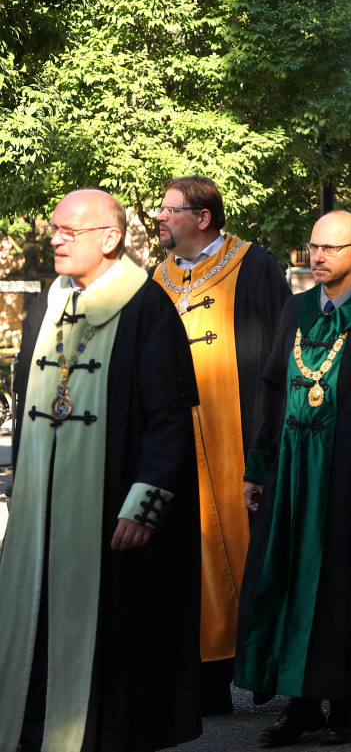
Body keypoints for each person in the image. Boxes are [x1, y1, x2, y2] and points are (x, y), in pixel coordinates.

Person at [0, 189, 202, 752]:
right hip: (41, 512)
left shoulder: (147, 308)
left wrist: (145, 504)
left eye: (70, 231)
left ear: (109, 239)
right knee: (33, 627)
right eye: (55, 230)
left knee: (112, 640)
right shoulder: (48, 303)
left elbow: (169, 419)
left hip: (112, 511)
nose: (56, 240)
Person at [237, 211, 351, 746]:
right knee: (288, 581)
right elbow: (273, 390)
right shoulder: (295, 308)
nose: (317, 257)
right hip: (294, 473)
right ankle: (299, 702)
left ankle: (344, 705)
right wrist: (258, 466)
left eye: (330, 248)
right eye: (313, 246)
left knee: (344, 586)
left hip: (345, 472)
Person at [152, 175, 291, 715]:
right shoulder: (158, 275)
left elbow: (282, 354)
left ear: (203, 217)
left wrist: (271, 436)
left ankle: (263, 664)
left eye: (170, 210)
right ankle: (204, 679)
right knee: (192, 554)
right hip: (179, 442)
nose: (160, 218)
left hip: (243, 436)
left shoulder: (253, 265)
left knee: (254, 549)